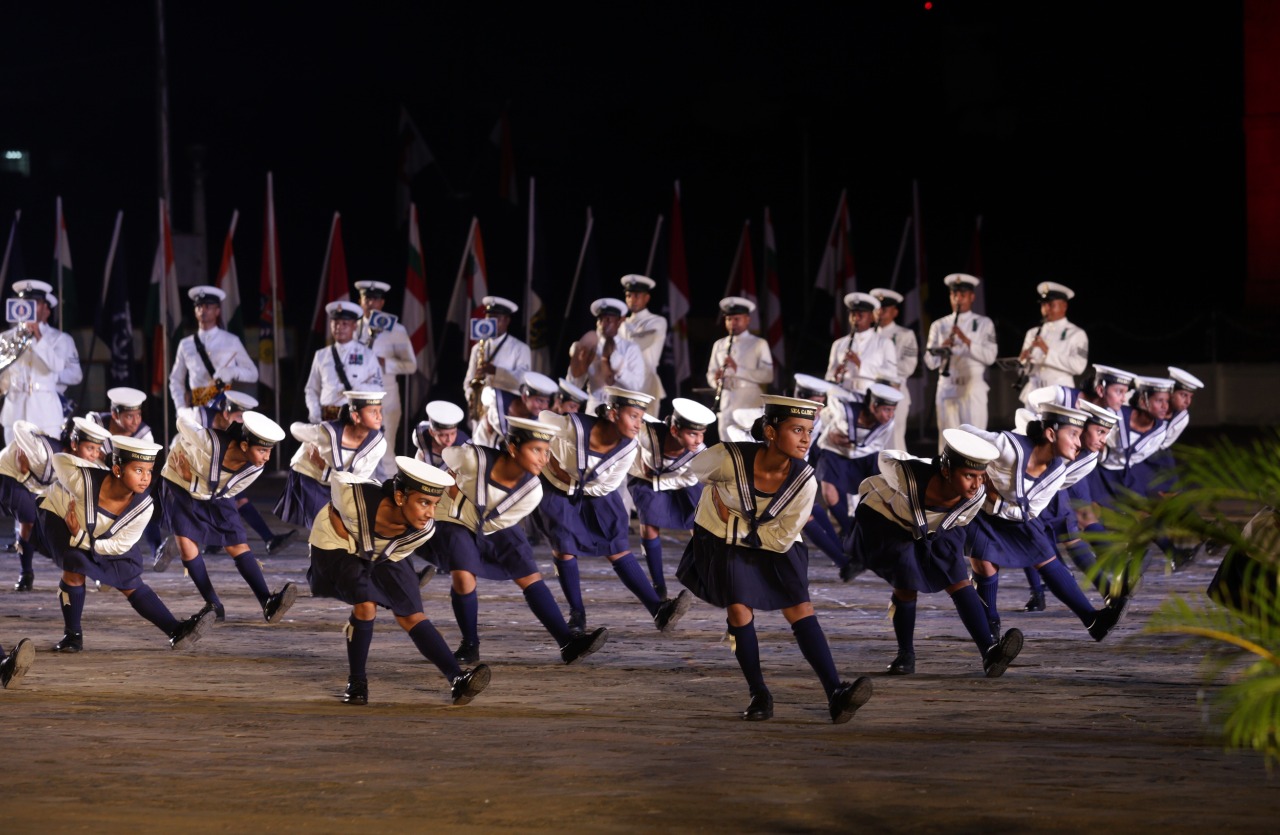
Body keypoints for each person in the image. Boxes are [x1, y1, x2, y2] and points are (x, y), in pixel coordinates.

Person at [676, 395, 873, 724]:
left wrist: (735, 521)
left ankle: (835, 692)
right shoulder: (728, 458)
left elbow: (782, 537)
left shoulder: (804, 481)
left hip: (775, 544)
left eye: (809, 431)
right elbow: (697, 472)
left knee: (801, 609)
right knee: (739, 609)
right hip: (722, 544)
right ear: (769, 432)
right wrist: (717, 507)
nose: (806, 439)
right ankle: (759, 693)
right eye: (797, 430)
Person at [307, 456, 490, 707]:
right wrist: (346, 528)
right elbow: (339, 483)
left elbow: (392, 554)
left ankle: (457, 678)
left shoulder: (424, 530)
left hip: (384, 550)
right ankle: (357, 681)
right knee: (366, 603)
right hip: (339, 542)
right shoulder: (352, 500)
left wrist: (386, 576)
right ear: (401, 497)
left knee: (411, 613)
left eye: (435, 504)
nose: (430, 513)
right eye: (424, 502)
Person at [424, 416, 609, 665]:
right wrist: (450, 481)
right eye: (536, 450)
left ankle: (568, 642)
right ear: (512, 448)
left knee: (528, 574)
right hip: (454, 518)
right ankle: (470, 644)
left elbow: (494, 524)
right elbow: (448, 457)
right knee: (463, 574)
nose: (544, 459)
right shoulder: (473, 457)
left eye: (546, 451)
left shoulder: (533, 491)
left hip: (491, 522)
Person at [851, 428, 1024, 677]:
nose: (976, 484)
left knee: (959, 582)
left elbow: (961, 520)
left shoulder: (975, 495)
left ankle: (990, 651)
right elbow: (885, 457)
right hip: (894, 524)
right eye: (968, 475)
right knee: (906, 585)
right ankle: (905, 655)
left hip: (941, 528)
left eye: (980, 476)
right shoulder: (906, 475)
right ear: (945, 471)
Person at [963, 403, 1129, 643]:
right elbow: (963, 431)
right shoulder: (1009, 448)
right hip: (981, 513)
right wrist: (976, 471)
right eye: (1073, 434)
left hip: (1016, 513)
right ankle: (990, 633)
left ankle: (1093, 620)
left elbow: (1029, 511)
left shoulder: (1058, 473)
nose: (1079, 442)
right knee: (985, 565)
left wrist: (997, 500)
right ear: (1051, 434)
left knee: (1045, 555)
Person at [533, 386, 693, 633]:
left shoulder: (629, 447)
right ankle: (577, 616)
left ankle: (657, 609)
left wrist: (576, 480)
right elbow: (544, 417)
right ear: (613, 413)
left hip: (597, 493)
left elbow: (607, 484)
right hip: (556, 489)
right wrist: (552, 460)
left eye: (641, 417)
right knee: (564, 547)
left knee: (616, 546)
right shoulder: (573, 427)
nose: (638, 424)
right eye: (633, 416)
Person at [39, 435, 214, 653]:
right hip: (61, 517)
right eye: (138, 470)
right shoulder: (82, 481)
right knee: (75, 564)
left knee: (128, 578)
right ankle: (72, 635)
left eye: (149, 471)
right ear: (118, 470)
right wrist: (95, 465)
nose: (145, 478)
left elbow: (119, 547)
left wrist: (83, 537)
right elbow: (59, 459)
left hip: (100, 535)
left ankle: (175, 630)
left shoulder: (144, 507)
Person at [160, 411, 297, 623]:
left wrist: (195, 481)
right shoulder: (210, 442)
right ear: (244, 446)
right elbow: (181, 420)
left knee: (237, 543)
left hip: (216, 491)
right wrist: (187, 471)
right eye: (262, 450)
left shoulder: (255, 468)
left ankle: (267, 602)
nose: (267, 457)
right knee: (186, 544)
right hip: (179, 482)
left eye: (269, 451)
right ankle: (214, 605)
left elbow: (224, 493)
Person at [1019, 399, 1122, 612]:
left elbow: (1063, 481)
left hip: (1055, 492)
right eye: (1100, 432)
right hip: (1027, 490)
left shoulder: (1090, 457)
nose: (1104, 440)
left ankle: (1110, 592)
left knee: (1072, 538)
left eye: (1106, 434)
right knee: (1030, 542)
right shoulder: (1050, 440)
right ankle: (1037, 593)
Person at [174, 390, 295, 556]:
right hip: (196, 466)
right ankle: (209, 540)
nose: (242, 422)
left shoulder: (239, 432)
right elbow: (182, 424)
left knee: (238, 500)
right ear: (225, 413)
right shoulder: (199, 415)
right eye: (239, 417)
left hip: (221, 469)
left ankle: (265, 539)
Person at [3, 416, 111, 591]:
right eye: (90, 448)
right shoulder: (43, 452)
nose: (94, 454)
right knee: (28, 520)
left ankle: (98, 572)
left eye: (97, 449)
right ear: (74, 444)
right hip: (12, 473)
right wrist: (31, 442)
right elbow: (19, 426)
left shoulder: (91, 463)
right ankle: (26, 573)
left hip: (36, 484)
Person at [628, 398, 715, 600]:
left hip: (682, 483)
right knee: (648, 525)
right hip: (645, 481)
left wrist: (658, 478)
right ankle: (659, 585)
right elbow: (628, 435)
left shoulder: (700, 453)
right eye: (692, 433)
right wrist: (639, 461)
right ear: (675, 431)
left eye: (701, 434)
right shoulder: (648, 433)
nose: (698, 440)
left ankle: (706, 576)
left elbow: (689, 479)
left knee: (700, 525)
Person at [276, 390, 387, 530]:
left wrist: (325, 469)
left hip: (339, 485)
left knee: (342, 527)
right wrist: (310, 441)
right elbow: (295, 428)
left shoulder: (378, 445)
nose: (379, 417)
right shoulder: (326, 432)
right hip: (310, 476)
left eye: (379, 411)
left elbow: (358, 480)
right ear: (356, 416)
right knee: (323, 527)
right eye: (373, 412)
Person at [0, 279, 83, 445]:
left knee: (47, 466)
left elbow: (57, 366)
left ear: (45, 307)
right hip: (14, 411)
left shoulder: (59, 339)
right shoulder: (6, 338)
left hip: (45, 414)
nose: (28, 307)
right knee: (13, 468)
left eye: (34, 303)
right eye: (24, 302)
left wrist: (37, 335)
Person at [815, 382, 901, 539]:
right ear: (873, 406)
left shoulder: (888, 423)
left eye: (893, 410)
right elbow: (831, 400)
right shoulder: (845, 410)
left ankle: (867, 531)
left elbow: (874, 446)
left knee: (879, 493)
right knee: (829, 493)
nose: (890, 415)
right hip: (835, 451)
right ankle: (849, 530)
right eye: (886, 409)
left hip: (864, 455)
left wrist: (852, 444)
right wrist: (832, 435)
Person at [922, 274, 998, 450]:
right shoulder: (939, 325)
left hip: (973, 388)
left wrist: (967, 340)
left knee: (976, 439)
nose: (958, 299)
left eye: (963, 295)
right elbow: (930, 362)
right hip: (947, 386)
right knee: (947, 440)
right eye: (954, 295)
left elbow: (990, 356)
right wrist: (942, 347)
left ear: (972, 297)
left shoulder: (983, 323)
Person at [354, 280, 418, 480]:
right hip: (358, 398)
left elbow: (411, 365)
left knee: (384, 448)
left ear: (382, 303)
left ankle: (389, 495)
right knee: (360, 451)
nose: (371, 303)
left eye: (376, 299)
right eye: (367, 299)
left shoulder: (396, 330)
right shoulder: (352, 328)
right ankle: (363, 496)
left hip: (386, 398)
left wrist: (386, 363)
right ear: (361, 301)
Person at [168, 286, 258, 408]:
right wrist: (181, 408)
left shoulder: (231, 340)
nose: (203, 310)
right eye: (199, 306)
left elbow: (253, 374)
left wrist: (232, 372)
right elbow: (176, 380)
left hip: (224, 407)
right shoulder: (185, 344)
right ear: (195, 311)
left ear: (217, 311)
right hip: (197, 409)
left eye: (208, 306)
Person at [1096, 375, 1174, 504]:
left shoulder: (1160, 431)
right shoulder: (1113, 415)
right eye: (1159, 401)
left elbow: (1135, 459)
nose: (1165, 406)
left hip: (1126, 474)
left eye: (1167, 401)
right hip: (1099, 470)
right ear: (1143, 401)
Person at [707, 296, 774, 443]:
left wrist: (739, 370)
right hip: (726, 402)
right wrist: (715, 379)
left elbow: (768, 375)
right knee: (725, 446)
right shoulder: (719, 344)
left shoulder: (758, 343)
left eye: (737, 319)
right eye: (729, 319)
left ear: (747, 319)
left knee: (748, 444)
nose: (732, 323)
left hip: (749, 403)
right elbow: (711, 372)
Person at [305, 301, 383, 423]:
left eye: (344, 324)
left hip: (356, 418)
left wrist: (356, 387)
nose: (339, 328)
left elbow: (378, 389)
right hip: (327, 417)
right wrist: (314, 413)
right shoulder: (321, 355)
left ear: (355, 326)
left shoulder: (367, 354)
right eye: (335, 323)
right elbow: (311, 389)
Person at [1017, 282, 1089, 406]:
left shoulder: (1076, 333)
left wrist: (1047, 352)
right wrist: (1023, 361)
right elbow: (1025, 370)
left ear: (1064, 306)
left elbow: (1079, 366)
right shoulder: (1033, 333)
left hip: (1060, 394)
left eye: (1051, 304)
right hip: (1034, 391)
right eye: (1043, 305)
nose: (1046, 309)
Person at [463, 296, 532, 423]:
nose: (491, 322)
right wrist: (473, 399)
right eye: (489, 318)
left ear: (507, 320)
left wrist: (495, 371)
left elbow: (522, 381)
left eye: (496, 319)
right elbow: (468, 381)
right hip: (481, 413)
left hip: (507, 412)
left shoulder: (521, 348)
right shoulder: (477, 348)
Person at [568, 298, 646, 404]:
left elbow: (637, 386)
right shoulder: (590, 347)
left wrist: (620, 370)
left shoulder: (630, 348)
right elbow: (573, 385)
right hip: (594, 407)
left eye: (608, 320)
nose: (603, 324)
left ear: (619, 321)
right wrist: (577, 362)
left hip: (619, 408)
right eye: (600, 319)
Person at [870, 287, 918, 452]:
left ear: (895, 312)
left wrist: (878, 368)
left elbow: (908, 367)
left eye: (884, 309)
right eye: (877, 309)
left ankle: (899, 477)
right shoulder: (868, 336)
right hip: (872, 394)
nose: (880, 313)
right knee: (872, 441)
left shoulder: (905, 334)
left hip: (895, 392)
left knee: (894, 440)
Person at [824, 292, 897, 397]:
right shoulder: (839, 344)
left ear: (872, 317)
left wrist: (860, 364)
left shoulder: (884, 343)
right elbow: (829, 376)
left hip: (870, 398)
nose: (855, 319)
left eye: (860, 315)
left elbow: (892, 375)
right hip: (843, 397)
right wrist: (835, 374)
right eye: (853, 314)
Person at [618, 274, 667, 415]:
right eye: (628, 295)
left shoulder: (657, 321)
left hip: (646, 383)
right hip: (623, 381)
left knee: (645, 432)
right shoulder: (623, 323)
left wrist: (622, 327)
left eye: (636, 295)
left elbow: (636, 345)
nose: (631, 300)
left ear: (646, 298)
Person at [472, 370, 558, 448]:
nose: (543, 406)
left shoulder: (538, 421)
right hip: (481, 447)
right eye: (539, 400)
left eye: (547, 402)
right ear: (525, 397)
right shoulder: (497, 400)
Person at [412, 400, 471, 468]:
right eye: (443, 435)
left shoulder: (465, 447)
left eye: (453, 433)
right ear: (431, 432)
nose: (449, 439)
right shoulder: (420, 436)